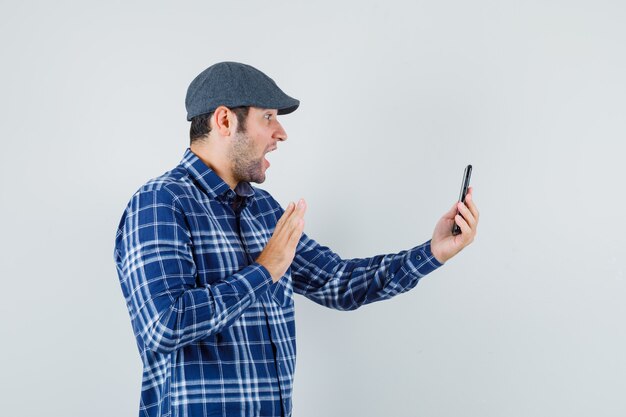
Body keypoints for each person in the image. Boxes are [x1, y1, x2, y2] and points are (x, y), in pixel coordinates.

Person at [114, 61, 479, 417]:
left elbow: (339, 282)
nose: (281, 134)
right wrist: (264, 270)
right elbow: (163, 325)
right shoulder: (160, 202)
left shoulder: (264, 211)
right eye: (268, 118)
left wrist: (433, 252)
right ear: (224, 120)